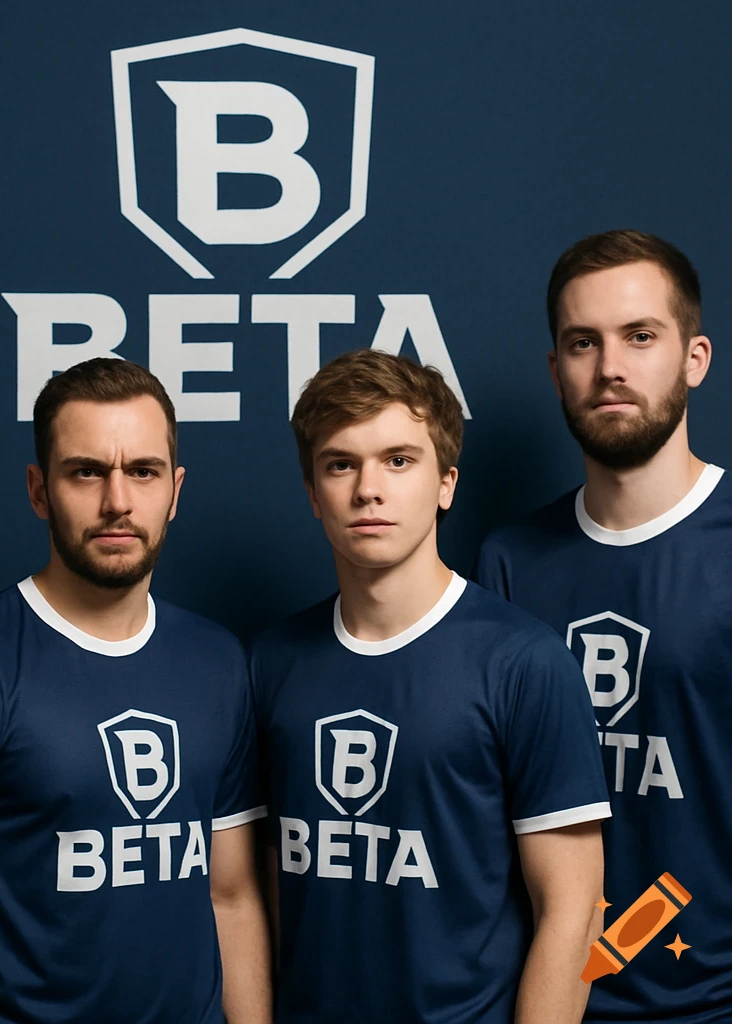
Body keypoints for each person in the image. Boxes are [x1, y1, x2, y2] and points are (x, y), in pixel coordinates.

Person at [0, 357, 271, 1024]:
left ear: (174, 491)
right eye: (87, 472)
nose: (117, 501)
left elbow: (229, 896)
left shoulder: (218, 660)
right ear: (38, 490)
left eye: (142, 472)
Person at [252, 349, 610, 1023]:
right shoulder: (271, 662)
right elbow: (263, 887)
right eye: (340, 464)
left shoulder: (525, 662)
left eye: (398, 460)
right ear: (312, 493)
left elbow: (575, 910)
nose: (367, 489)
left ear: (446, 482)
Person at [474, 229, 729, 1023]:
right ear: (556, 371)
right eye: (583, 343)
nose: (610, 368)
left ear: (695, 358)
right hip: (546, 999)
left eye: (640, 337)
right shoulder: (510, 560)